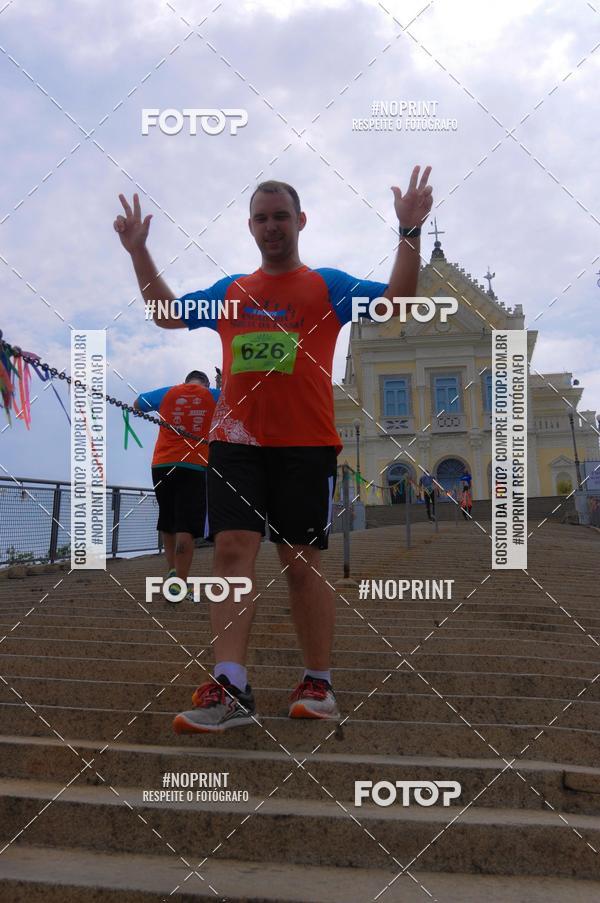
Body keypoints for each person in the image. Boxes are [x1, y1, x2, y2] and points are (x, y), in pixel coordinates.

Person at [114, 166, 433, 732]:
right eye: (261, 218)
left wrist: (409, 232)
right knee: (231, 550)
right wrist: (139, 252)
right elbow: (167, 313)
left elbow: (397, 303)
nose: (271, 226)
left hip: (305, 444)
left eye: (280, 216)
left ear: (300, 221)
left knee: (299, 561)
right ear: (250, 227)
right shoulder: (231, 293)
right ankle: (230, 686)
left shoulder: (327, 286)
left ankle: (318, 683)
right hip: (235, 444)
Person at [134, 371, 217, 602]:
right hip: (194, 466)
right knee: (186, 526)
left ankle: (172, 571)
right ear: (206, 383)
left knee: (168, 519)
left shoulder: (168, 392)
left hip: (162, 463)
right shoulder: (214, 395)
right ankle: (180, 583)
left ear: (186, 381)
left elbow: (138, 404)